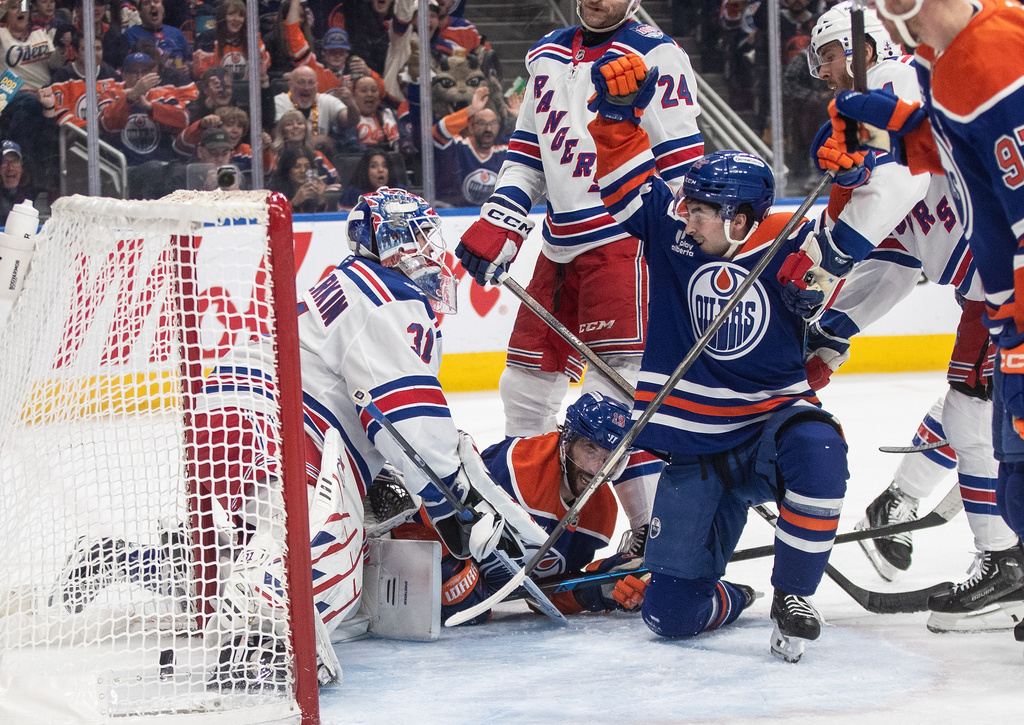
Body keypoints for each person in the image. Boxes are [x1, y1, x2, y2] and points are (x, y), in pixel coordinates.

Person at [587, 53, 849, 662]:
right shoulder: (673, 237)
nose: (686, 215)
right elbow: (624, 184)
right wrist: (617, 116)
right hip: (695, 447)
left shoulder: (795, 243)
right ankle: (733, 594)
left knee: (819, 446)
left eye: (700, 209)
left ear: (739, 216)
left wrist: (857, 174)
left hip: (768, 428)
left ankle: (794, 595)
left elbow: (852, 244)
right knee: (669, 617)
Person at [192, 188, 506, 676]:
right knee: (335, 564)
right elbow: (405, 416)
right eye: (421, 234)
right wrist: (452, 504)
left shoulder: (354, 283)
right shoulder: (390, 294)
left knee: (233, 549)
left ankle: (142, 560)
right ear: (390, 241)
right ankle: (259, 634)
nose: (432, 247)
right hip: (280, 426)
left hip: (227, 417)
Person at [454, 0, 705, 554]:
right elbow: (527, 154)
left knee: (612, 405)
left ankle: (649, 536)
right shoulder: (544, 55)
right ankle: (523, 511)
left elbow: (683, 161)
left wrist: (683, 246)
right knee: (523, 387)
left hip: (625, 244)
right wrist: (502, 220)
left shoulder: (657, 53)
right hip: (559, 244)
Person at [824, 0, 1024, 646]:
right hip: (996, 296)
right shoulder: (946, 67)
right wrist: (895, 132)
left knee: (982, 422)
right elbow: (949, 148)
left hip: (1009, 300)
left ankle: (1003, 562)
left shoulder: (986, 58)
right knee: (996, 441)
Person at [393, 392, 647, 624]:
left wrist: (595, 590)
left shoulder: (601, 516)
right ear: (566, 441)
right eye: (590, 450)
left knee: (472, 605)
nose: (598, 469)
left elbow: (542, 593)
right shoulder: (518, 467)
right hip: (429, 538)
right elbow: (442, 505)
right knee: (464, 604)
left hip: (489, 582)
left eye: (612, 458)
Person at [433, 84, 507, 207]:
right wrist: (471, 110)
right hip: (450, 214)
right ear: (471, 127)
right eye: (482, 123)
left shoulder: (503, 151)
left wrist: (519, 118)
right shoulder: (457, 146)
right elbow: (438, 132)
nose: (488, 129)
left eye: (493, 123)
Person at [192, 0, 270, 82]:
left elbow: (264, 69)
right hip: (218, 91)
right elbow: (202, 74)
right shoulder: (207, 38)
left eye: (241, 15)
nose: (236, 19)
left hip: (246, 90)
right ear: (222, 17)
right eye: (231, 14)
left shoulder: (253, 38)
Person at [274, 64, 355, 138]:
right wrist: (320, 140)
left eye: (311, 82)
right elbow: (281, 136)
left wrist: (351, 105)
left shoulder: (326, 100)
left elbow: (350, 121)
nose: (306, 87)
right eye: (301, 82)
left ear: (317, 86)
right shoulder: (279, 102)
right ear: (290, 85)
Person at [0, 0, 63, 91]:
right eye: (14, 7)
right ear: (6, 14)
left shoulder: (40, 32)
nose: (19, 10)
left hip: (43, 91)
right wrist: (4, 5)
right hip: (12, 95)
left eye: (23, 7)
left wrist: (61, 49)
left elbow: (54, 64)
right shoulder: (2, 34)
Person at [123, 0, 191, 71]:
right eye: (146, 3)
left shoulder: (177, 33)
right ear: (140, 11)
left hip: (176, 79)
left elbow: (188, 61)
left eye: (156, 1)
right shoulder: (130, 34)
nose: (152, 5)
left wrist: (188, 67)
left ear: (163, 8)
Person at [267, 144, 328, 212]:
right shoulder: (275, 191)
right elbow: (273, 216)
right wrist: (294, 203)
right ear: (287, 169)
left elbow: (323, 220)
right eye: (297, 167)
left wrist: (321, 199)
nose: (303, 171)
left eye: (307, 167)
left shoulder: (313, 190)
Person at [337, 146, 401, 208]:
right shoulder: (352, 193)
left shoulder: (400, 191)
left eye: (385, 166)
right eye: (374, 166)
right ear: (365, 170)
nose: (381, 170)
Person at [0, 140, 40, 220]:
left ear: (21, 167)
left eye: (15, 161)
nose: (10, 168)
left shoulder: (34, 194)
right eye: (4, 162)